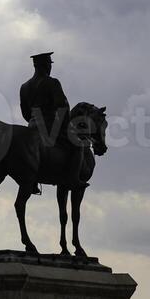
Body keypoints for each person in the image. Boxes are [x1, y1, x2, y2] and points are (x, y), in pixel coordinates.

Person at [19, 52, 85, 193]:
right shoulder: (52, 82)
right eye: (49, 64)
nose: (50, 67)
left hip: (32, 126)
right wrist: (66, 126)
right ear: (46, 65)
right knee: (78, 145)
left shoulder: (24, 87)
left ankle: (33, 181)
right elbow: (61, 106)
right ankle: (73, 179)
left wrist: (33, 123)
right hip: (50, 127)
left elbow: (25, 112)